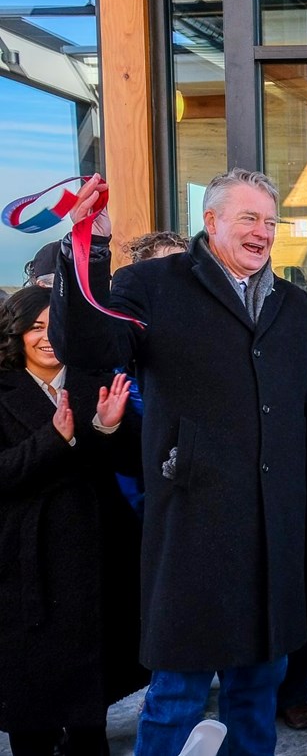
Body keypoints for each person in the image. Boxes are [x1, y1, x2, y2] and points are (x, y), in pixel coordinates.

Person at [48, 169, 307, 756]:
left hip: (272, 531)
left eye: (271, 222)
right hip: (193, 525)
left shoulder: (291, 302)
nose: (262, 232)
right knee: (176, 694)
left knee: (257, 693)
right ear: (211, 220)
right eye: (248, 218)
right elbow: (90, 347)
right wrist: (87, 248)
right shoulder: (154, 283)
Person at [0, 287, 147, 756]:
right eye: (35, 327)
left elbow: (135, 461)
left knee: (89, 706)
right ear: (15, 331)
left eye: (54, 326)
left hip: (97, 552)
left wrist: (107, 426)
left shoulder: (94, 381)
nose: (45, 338)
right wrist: (53, 441)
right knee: (32, 705)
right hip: (27, 563)